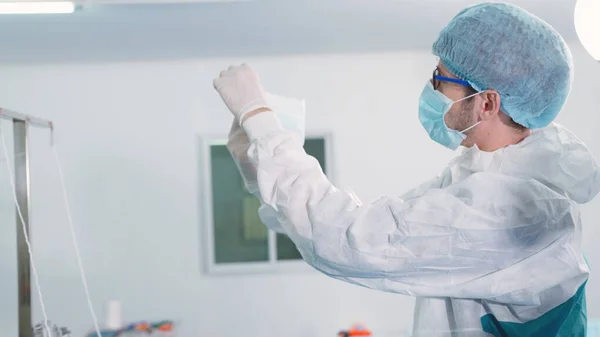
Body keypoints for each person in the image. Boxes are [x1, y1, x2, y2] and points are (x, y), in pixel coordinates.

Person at [213, 2, 600, 336]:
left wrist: (259, 118)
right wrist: (258, 159)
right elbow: (361, 225)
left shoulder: (512, 209)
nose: (431, 88)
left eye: (441, 79)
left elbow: (348, 241)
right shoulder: (486, 171)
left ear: (486, 104)